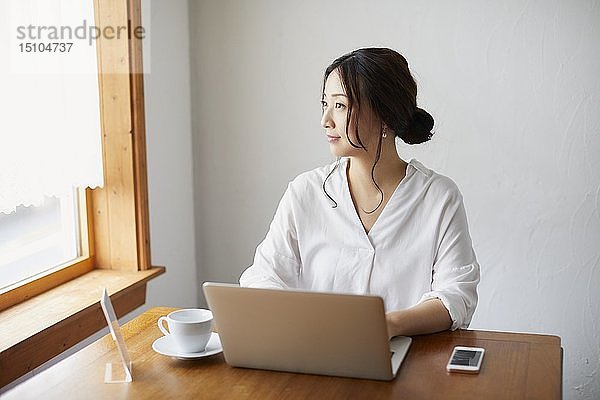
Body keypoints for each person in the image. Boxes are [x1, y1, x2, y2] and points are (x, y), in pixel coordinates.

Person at [240, 47, 480, 338]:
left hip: (407, 361)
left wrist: (388, 325)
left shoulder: (439, 197)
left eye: (340, 106)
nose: (326, 120)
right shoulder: (306, 192)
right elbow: (263, 276)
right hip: (316, 355)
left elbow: (456, 295)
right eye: (325, 104)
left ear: (385, 115)